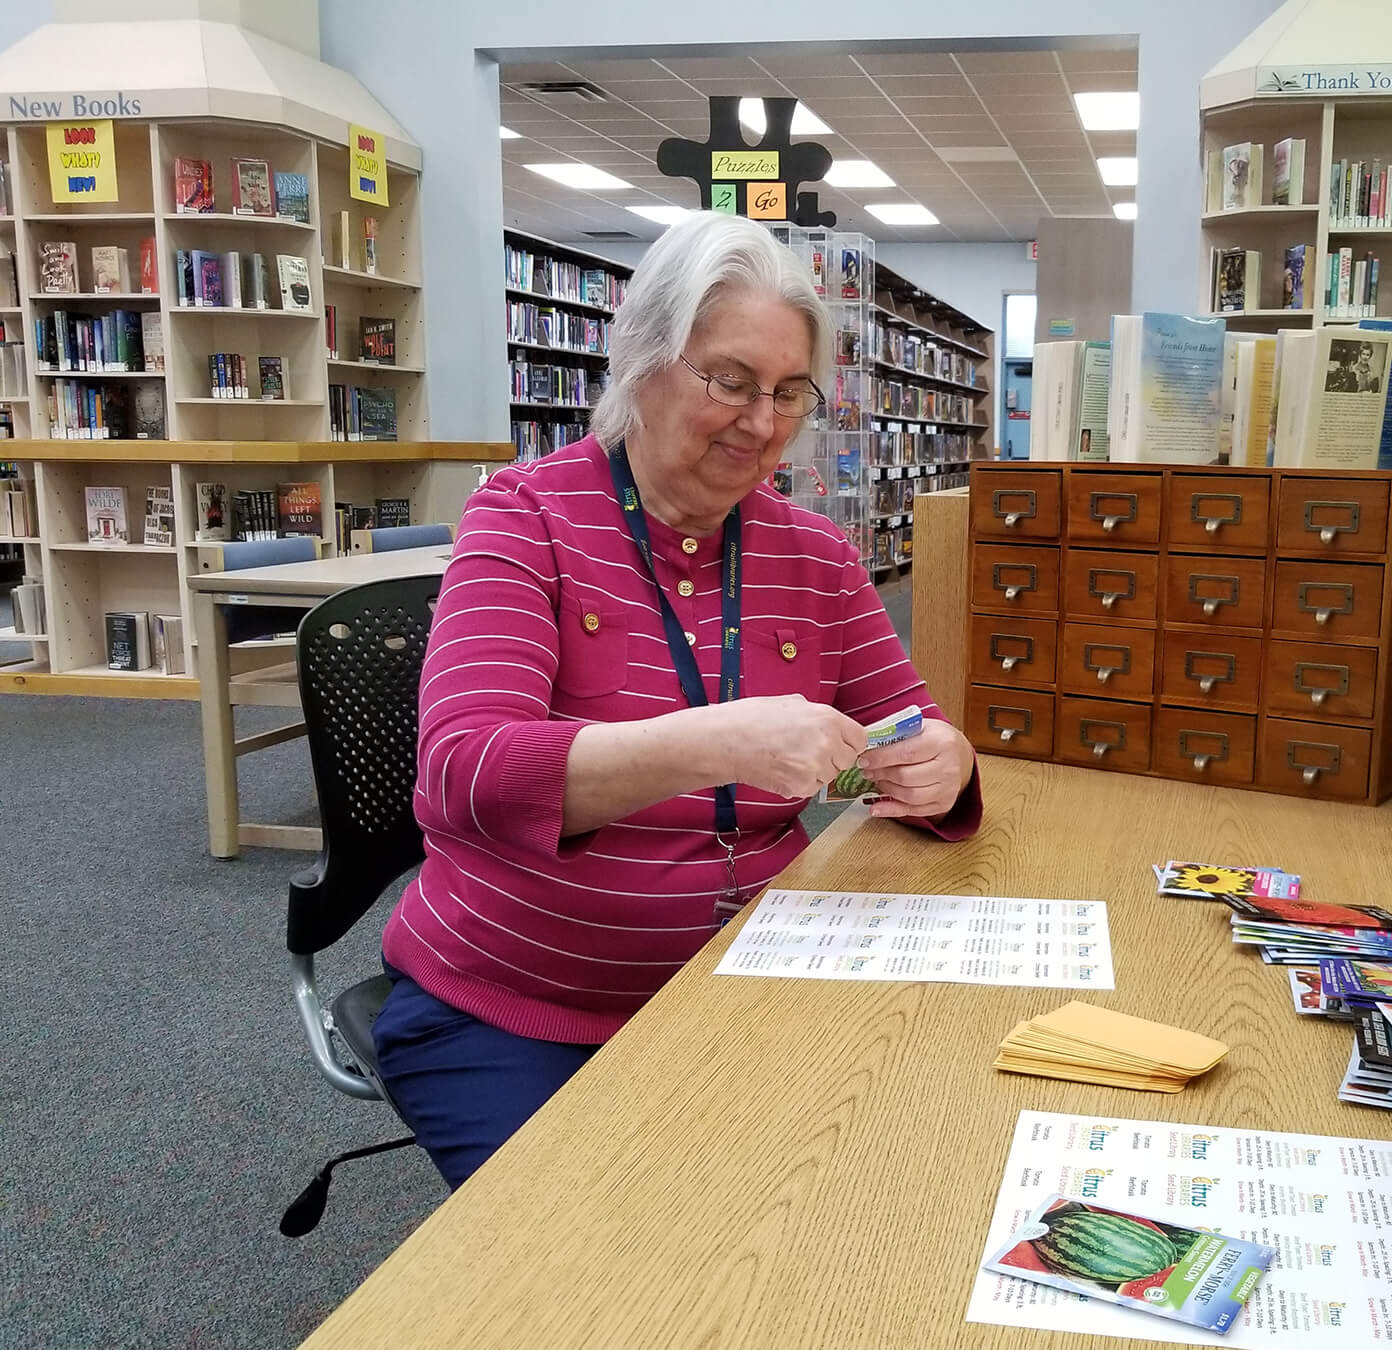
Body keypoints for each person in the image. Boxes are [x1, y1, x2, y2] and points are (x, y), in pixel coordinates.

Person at [373, 215, 981, 1188]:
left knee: (884, 1180)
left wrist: (944, 763)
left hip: (759, 981)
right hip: (521, 1007)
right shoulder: (525, 519)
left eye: (789, 392)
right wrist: (712, 743)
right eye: (730, 381)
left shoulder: (814, 556)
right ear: (642, 359)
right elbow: (463, 777)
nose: (761, 422)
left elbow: (915, 723)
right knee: (600, 1264)